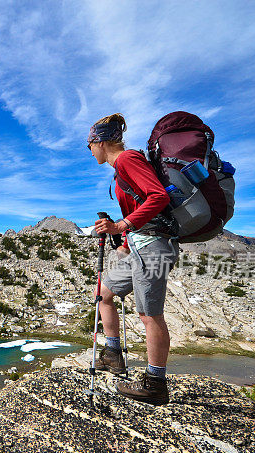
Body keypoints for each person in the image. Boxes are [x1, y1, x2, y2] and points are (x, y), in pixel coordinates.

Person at [87, 113, 179, 406]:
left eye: (89, 144)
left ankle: (155, 383)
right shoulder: (121, 168)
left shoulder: (127, 160)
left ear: (99, 142)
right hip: (138, 245)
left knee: (149, 315)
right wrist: (124, 241)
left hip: (154, 247)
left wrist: (121, 227)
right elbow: (141, 205)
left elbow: (158, 197)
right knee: (103, 294)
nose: (90, 151)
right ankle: (113, 355)